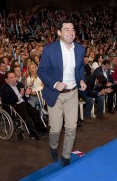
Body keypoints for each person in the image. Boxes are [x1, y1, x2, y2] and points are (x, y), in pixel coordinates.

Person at [38, 19, 87, 167]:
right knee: (56, 129)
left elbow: (79, 69)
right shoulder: (49, 49)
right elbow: (41, 71)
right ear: (59, 33)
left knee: (71, 127)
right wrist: (55, 83)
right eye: (66, 29)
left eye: (72, 29)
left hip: (72, 93)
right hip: (55, 95)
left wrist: (82, 81)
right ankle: (53, 147)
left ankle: (66, 156)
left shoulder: (79, 49)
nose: (71, 32)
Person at [0, 71, 48, 140]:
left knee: (35, 112)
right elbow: (7, 101)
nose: (13, 79)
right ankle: (32, 134)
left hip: (24, 103)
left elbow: (25, 97)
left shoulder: (19, 85)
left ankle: (41, 130)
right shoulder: (4, 88)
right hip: (13, 106)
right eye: (11, 78)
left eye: (14, 77)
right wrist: (20, 95)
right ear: (6, 80)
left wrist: (26, 94)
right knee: (26, 115)